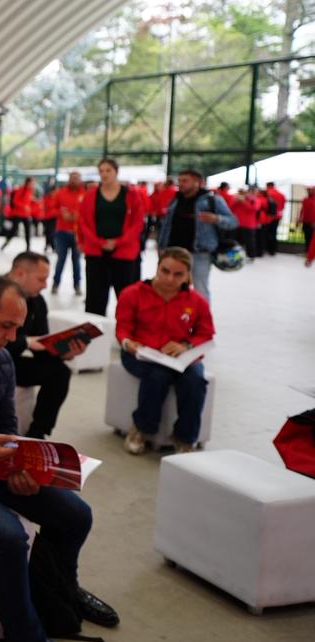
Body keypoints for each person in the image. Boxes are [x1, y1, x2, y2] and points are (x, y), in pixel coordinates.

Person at [0, 275, 118, 642]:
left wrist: (20, 465)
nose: (11, 338)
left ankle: (62, 597)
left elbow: (7, 425)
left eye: (17, 329)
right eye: (5, 326)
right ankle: (28, 637)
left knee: (75, 515)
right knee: (6, 535)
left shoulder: (2, 360)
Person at [116, 247, 214, 455]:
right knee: (157, 376)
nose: (170, 278)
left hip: (180, 357)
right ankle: (142, 429)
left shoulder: (197, 302)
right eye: (165, 271)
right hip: (141, 354)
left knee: (195, 380)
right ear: (157, 267)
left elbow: (206, 333)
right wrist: (127, 343)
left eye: (178, 274)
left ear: (188, 275)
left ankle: (185, 438)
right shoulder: (133, 294)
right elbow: (122, 327)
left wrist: (186, 345)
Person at [6, 252, 86, 440]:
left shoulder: (37, 301)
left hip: (13, 361)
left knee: (60, 372)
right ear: (19, 274)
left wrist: (64, 353)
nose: (45, 285)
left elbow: (41, 346)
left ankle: (38, 432)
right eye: (41, 279)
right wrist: (26, 342)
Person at [154, 168, 236, 300]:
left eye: (185, 181)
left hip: (199, 253)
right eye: (179, 180)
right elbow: (166, 225)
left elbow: (232, 221)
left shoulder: (212, 200)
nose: (180, 183)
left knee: (200, 291)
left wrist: (216, 218)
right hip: (174, 252)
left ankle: (201, 319)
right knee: (169, 288)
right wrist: (161, 247)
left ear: (198, 182)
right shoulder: (175, 199)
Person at [78, 159, 143, 316]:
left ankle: (128, 332)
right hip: (96, 252)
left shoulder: (131, 194)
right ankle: (94, 332)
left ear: (116, 171)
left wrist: (118, 242)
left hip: (124, 252)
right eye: (101, 171)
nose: (104, 174)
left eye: (108, 170)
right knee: (95, 297)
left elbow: (137, 223)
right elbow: (84, 222)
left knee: (126, 296)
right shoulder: (91, 195)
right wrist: (99, 242)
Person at [49, 171, 85, 296]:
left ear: (80, 180)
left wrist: (78, 216)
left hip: (78, 233)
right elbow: (52, 209)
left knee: (77, 261)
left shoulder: (85, 194)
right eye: (72, 178)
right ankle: (55, 283)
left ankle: (77, 285)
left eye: (77, 178)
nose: (74, 180)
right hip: (62, 232)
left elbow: (89, 213)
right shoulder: (61, 193)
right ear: (69, 179)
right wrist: (61, 213)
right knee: (61, 260)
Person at [1, 178, 35, 251]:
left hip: (26, 214)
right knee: (13, 230)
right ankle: (6, 243)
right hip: (18, 213)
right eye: (31, 183)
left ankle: (28, 247)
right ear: (27, 182)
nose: (32, 184)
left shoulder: (30, 191)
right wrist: (24, 206)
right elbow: (15, 201)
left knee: (27, 231)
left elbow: (28, 201)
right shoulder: (21, 190)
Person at [262, 181, 286, 256]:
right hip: (278, 216)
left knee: (266, 233)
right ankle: (273, 250)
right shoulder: (281, 194)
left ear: (267, 186)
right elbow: (282, 207)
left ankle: (266, 248)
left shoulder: (267, 193)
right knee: (274, 233)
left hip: (268, 217)